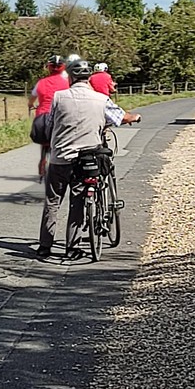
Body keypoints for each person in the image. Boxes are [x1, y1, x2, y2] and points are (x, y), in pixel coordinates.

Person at [36, 58, 140, 260]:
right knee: (78, 201)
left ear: (71, 77)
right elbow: (120, 117)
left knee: (53, 201)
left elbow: (48, 125)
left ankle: (44, 246)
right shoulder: (101, 100)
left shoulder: (59, 97)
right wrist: (135, 117)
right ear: (89, 78)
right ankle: (72, 248)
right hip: (86, 159)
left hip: (60, 158)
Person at [28, 55, 70, 179]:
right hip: (60, 117)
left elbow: (31, 99)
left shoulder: (41, 83)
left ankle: (43, 161)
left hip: (42, 117)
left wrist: (31, 105)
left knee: (44, 138)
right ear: (63, 68)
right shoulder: (67, 83)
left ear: (49, 68)